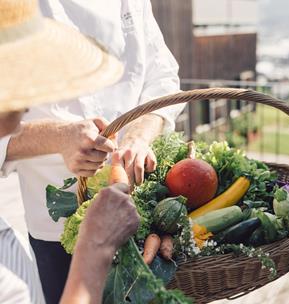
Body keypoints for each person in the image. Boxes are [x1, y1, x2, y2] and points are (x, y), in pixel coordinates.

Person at [0, 0, 185, 302]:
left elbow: (163, 77)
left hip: (142, 215)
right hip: (57, 232)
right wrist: (56, 137)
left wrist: (139, 133)